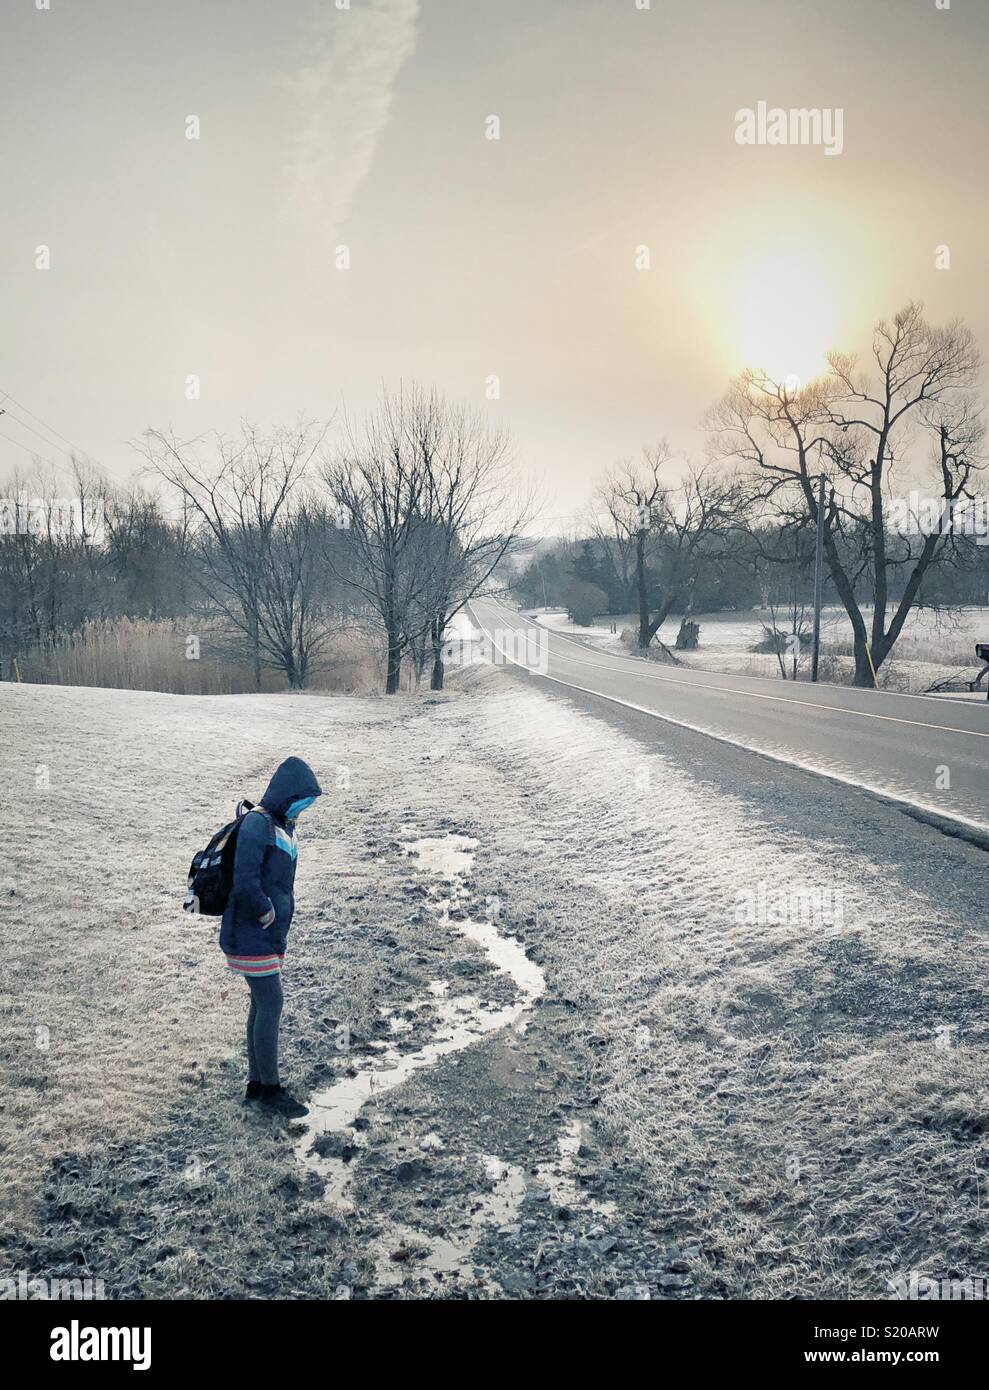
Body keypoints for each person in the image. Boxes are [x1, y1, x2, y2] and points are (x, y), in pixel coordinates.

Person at [219, 756, 322, 1117]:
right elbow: (244, 880)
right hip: (250, 930)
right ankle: (271, 1091)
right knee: (271, 1002)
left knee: (261, 1003)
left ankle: (256, 1086)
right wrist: (265, 911)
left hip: (266, 933)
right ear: (285, 793)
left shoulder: (282, 824)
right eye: (301, 799)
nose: (304, 807)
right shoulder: (256, 824)